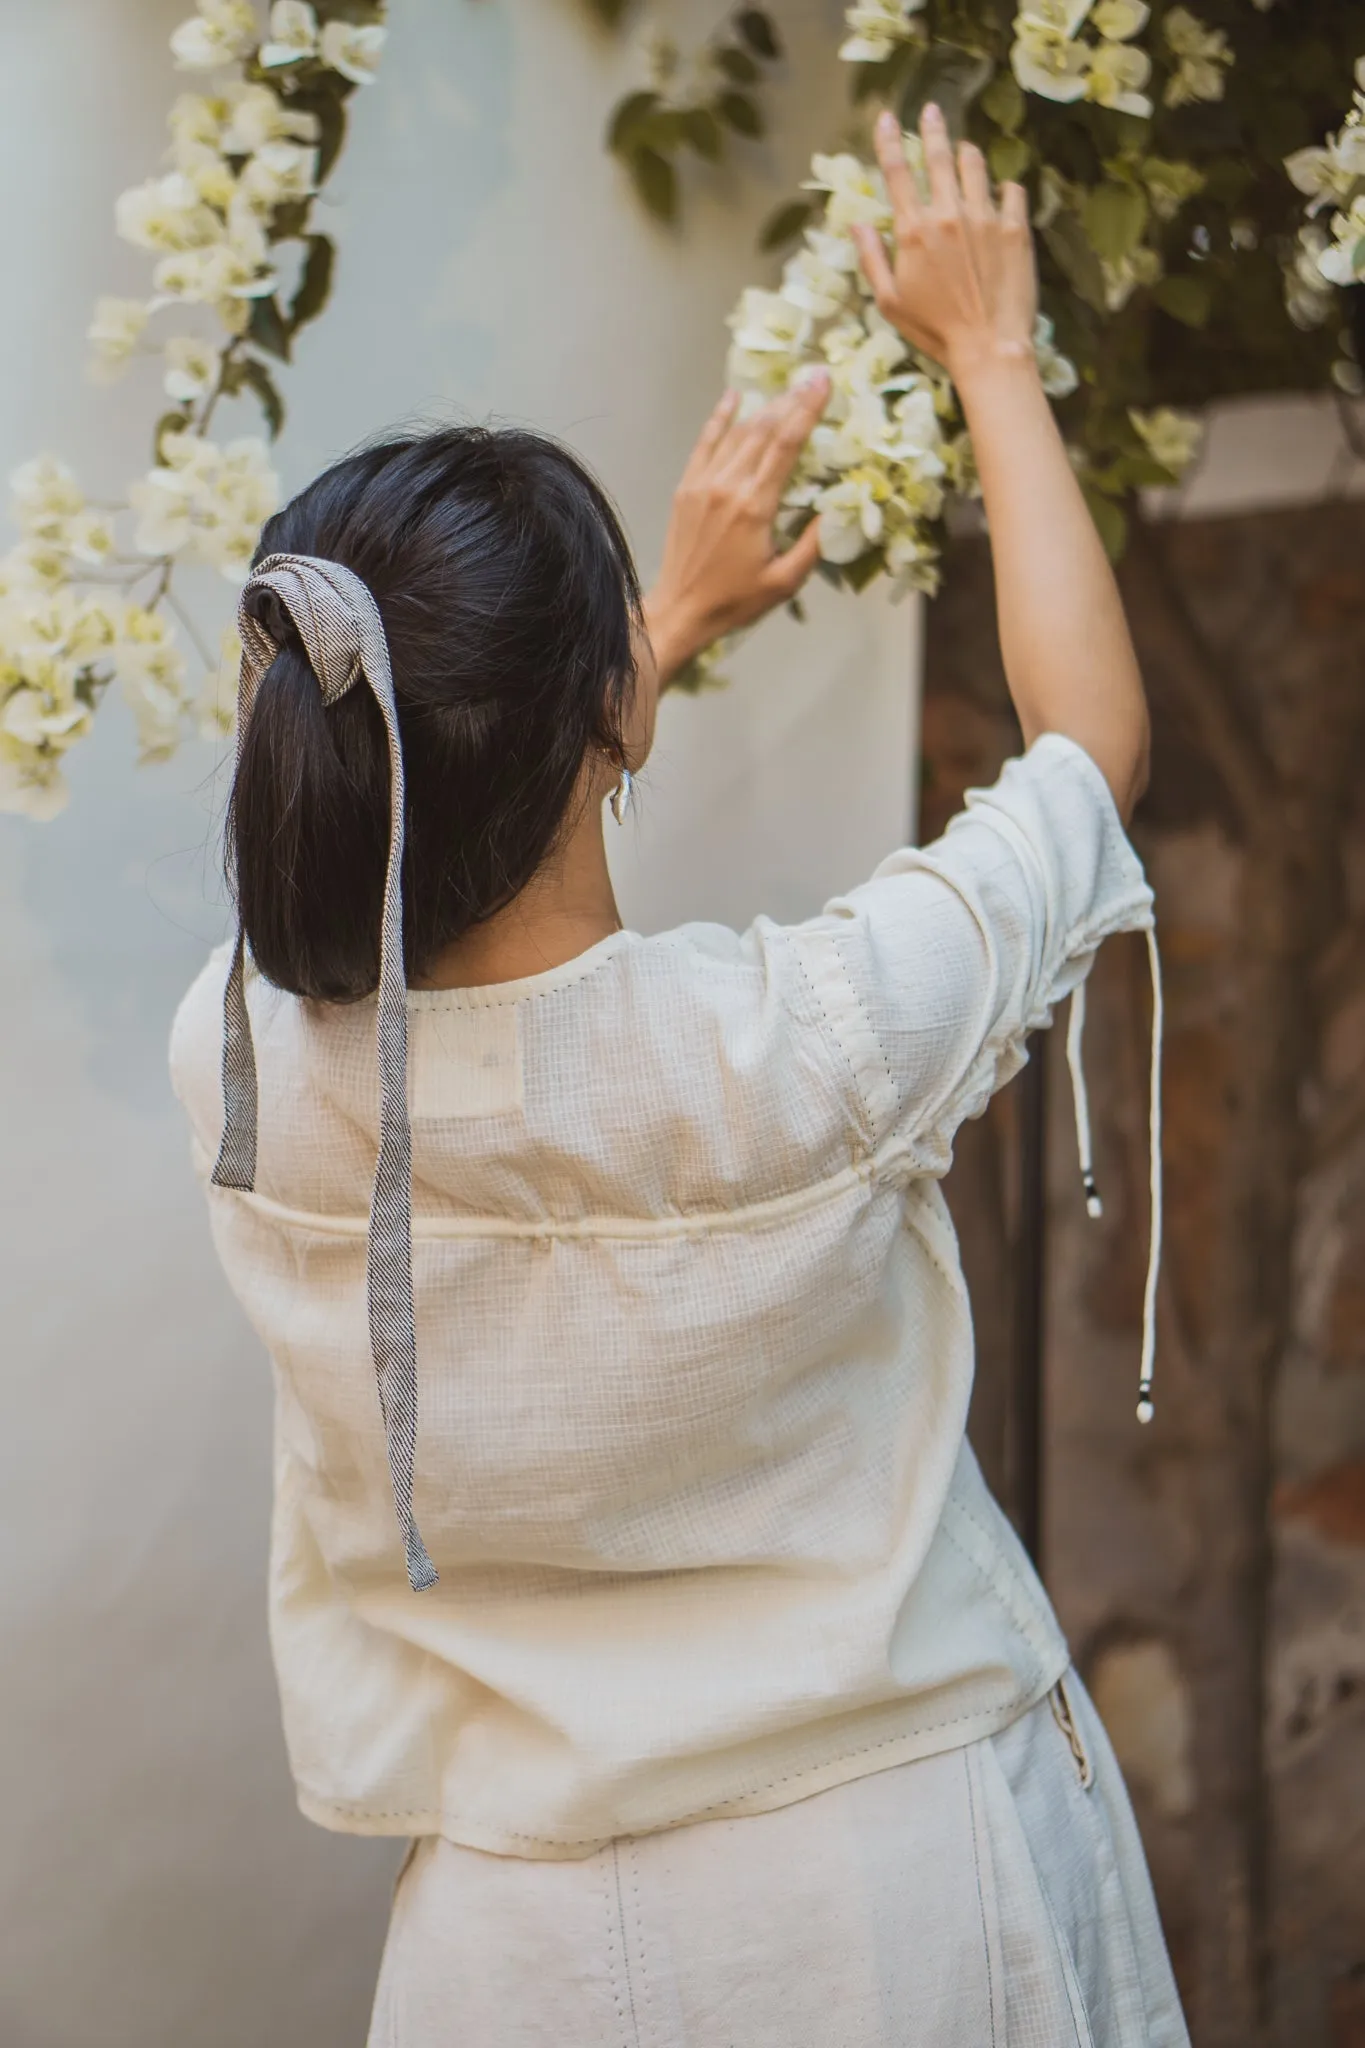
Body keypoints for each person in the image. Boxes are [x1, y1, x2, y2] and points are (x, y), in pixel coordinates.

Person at [170, 104, 1186, 2047]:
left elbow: (437, 809)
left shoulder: (237, 1064)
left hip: (508, 1951)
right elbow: (1090, 747)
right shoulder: (808, 1042)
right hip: (899, 1904)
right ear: (606, 720)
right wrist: (987, 351)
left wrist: (648, 640)